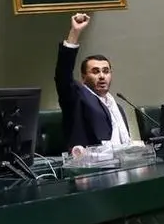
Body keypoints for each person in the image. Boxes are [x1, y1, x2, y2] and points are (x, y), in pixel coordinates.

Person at [55, 13, 131, 151]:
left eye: (106, 71)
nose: (102, 76)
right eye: (95, 72)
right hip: (89, 162)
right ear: (84, 77)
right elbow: (63, 75)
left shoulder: (117, 107)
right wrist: (75, 33)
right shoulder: (77, 98)